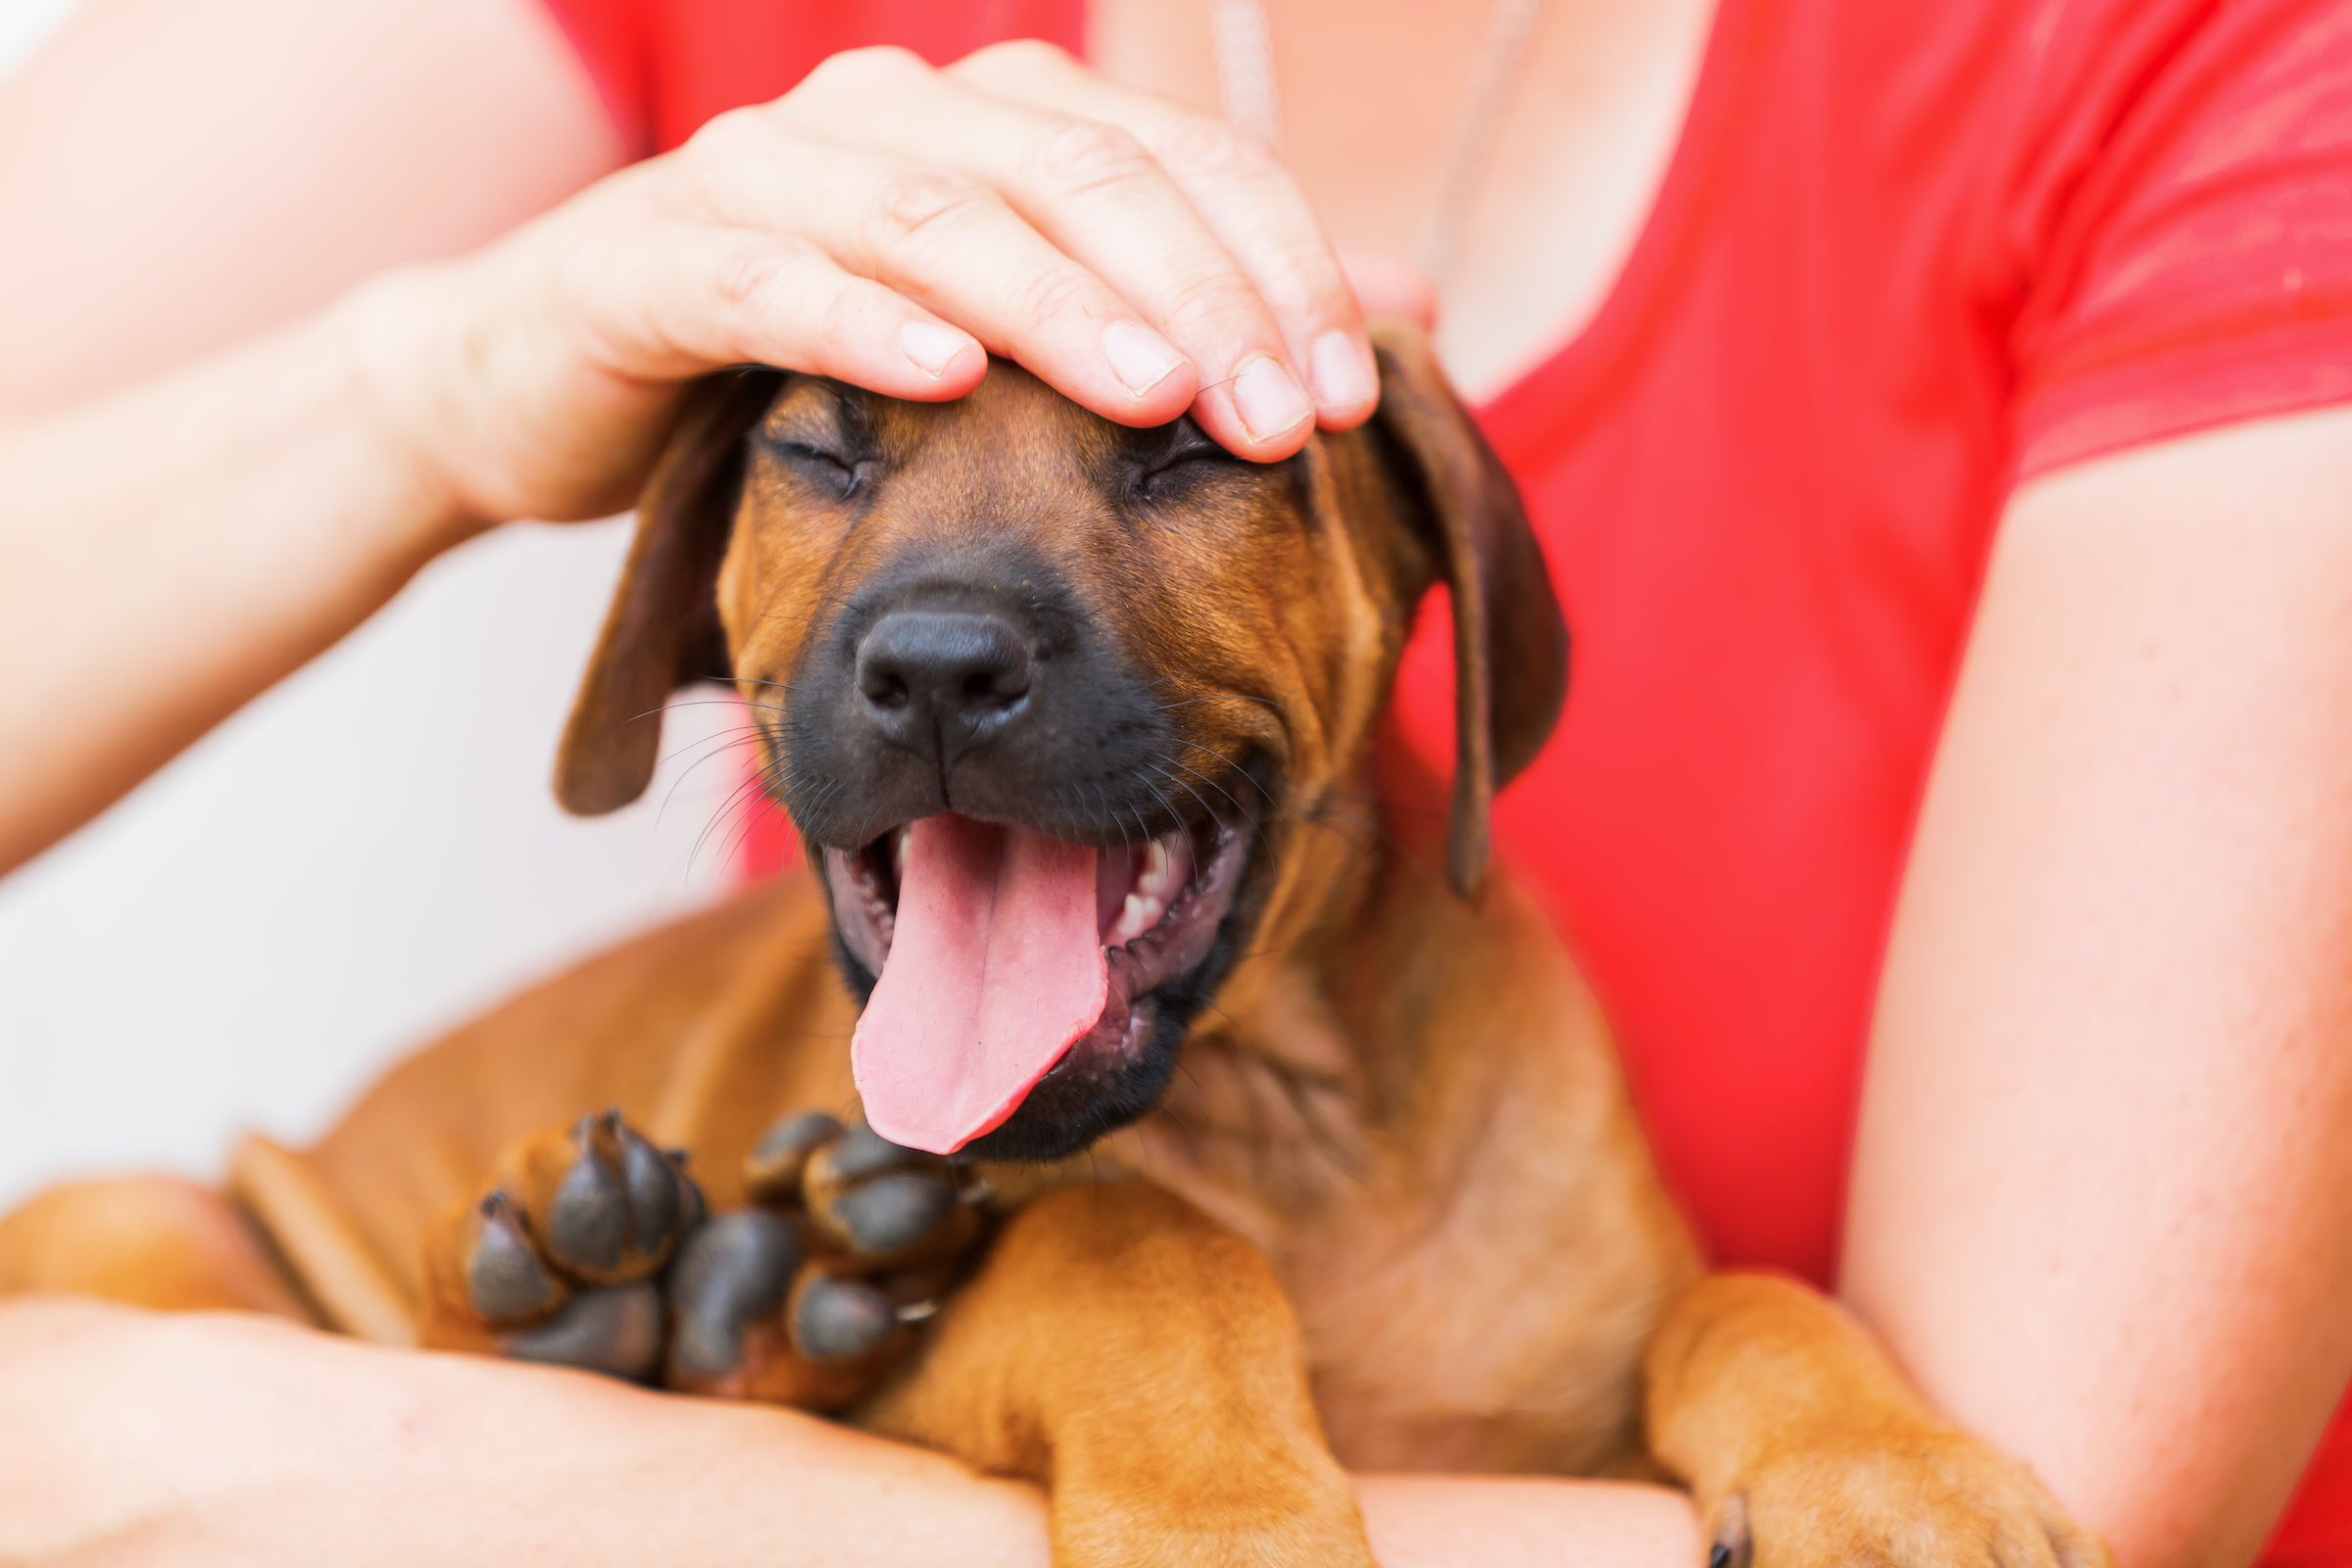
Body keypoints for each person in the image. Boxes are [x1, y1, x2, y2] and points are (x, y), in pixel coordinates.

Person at [5, 0, 2352, 1564]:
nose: (941, 626)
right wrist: (440, 382)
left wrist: (376, 1470)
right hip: (292, 1277)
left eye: (1187, 461)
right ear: (678, 596)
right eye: (834, 456)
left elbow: (2056, 1505)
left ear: (1441, 595)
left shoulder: (2201, 63)